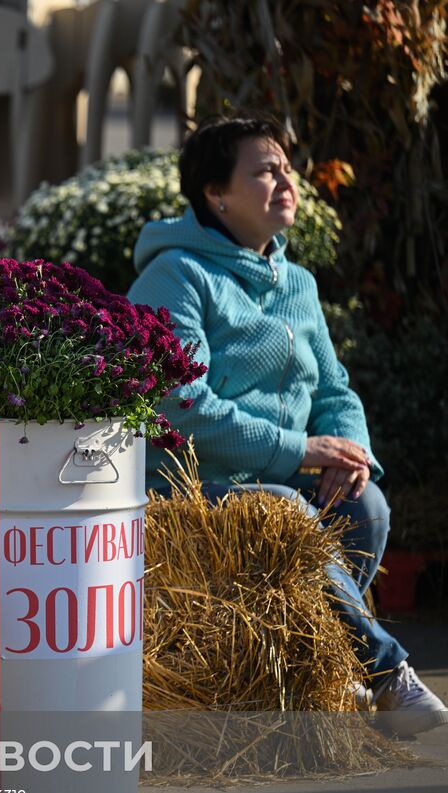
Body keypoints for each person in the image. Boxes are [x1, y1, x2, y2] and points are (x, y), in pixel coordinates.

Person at [127, 114, 447, 736]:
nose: (286, 181)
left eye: (287, 168)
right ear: (216, 195)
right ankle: (387, 674)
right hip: (198, 485)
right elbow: (181, 404)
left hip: (286, 473)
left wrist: (348, 456)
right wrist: (299, 450)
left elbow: (334, 389)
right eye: (265, 171)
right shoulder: (174, 277)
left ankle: (329, 667)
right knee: (285, 513)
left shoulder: (298, 282)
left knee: (368, 508)